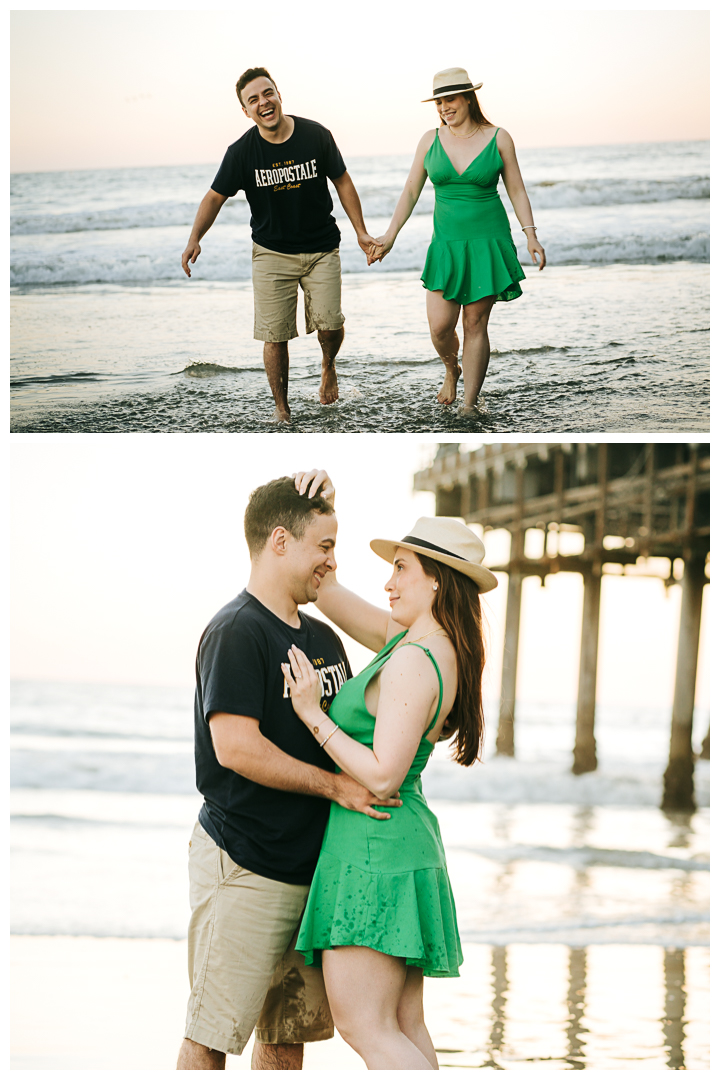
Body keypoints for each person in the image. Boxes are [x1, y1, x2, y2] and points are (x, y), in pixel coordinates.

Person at [177, 476, 400, 1071]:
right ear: (280, 541)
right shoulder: (237, 631)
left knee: (284, 1039)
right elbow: (236, 749)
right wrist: (335, 787)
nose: (333, 560)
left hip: (314, 873)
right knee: (211, 1035)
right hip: (246, 864)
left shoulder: (324, 638)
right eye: (324, 546)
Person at [281, 469, 498, 1070]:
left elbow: (381, 776)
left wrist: (311, 714)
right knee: (403, 1024)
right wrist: (321, 511)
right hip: (401, 843)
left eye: (402, 569)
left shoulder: (413, 660)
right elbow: (329, 594)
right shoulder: (421, 643)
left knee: (366, 1026)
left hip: (376, 844)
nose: (389, 580)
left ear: (437, 581)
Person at [181, 67, 378, 423]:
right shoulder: (241, 152)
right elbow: (214, 198)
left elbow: (343, 182)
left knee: (330, 324)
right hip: (271, 253)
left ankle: (328, 365)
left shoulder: (316, 135)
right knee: (275, 336)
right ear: (245, 111)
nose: (263, 103)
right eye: (253, 100)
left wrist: (361, 232)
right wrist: (195, 238)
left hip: (321, 248)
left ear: (279, 94)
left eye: (267, 93)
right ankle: (282, 409)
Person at [371, 67, 546, 414]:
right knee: (440, 328)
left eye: (449, 99)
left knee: (475, 324)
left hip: (487, 242)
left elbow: (516, 189)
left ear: (468, 97)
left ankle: (470, 402)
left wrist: (531, 235)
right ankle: (452, 368)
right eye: (438, 102)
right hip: (446, 245)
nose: (443, 108)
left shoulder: (498, 138)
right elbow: (410, 191)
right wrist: (390, 235)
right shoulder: (429, 139)